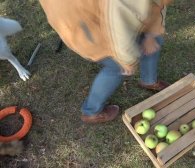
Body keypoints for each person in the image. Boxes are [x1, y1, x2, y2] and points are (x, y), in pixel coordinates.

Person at [39, 0, 172, 124]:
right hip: (80, 18)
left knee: (154, 39)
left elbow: (157, 5)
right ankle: (91, 112)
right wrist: (126, 59)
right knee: (116, 67)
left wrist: (151, 34)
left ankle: (148, 80)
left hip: (102, 12)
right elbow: (115, 24)